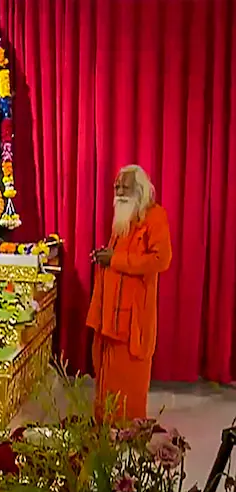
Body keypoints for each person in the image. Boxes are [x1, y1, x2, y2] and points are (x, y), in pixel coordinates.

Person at [86, 165, 172, 422]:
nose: (120, 192)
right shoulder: (123, 217)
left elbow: (161, 260)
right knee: (105, 375)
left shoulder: (154, 216)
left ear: (140, 189)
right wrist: (104, 256)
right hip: (108, 316)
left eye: (125, 187)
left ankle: (125, 431)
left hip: (132, 318)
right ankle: (104, 427)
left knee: (128, 380)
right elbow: (119, 255)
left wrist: (114, 260)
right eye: (117, 187)